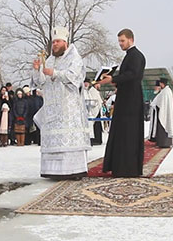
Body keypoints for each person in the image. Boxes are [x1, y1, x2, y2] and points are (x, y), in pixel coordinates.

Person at [31, 26, 91, 179]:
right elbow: (41, 83)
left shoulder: (74, 58)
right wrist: (36, 70)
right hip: (52, 109)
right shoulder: (49, 60)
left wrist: (55, 73)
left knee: (68, 140)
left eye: (58, 41)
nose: (55, 45)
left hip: (68, 110)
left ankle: (73, 170)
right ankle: (52, 171)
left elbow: (74, 78)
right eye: (53, 42)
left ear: (65, 42)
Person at [98, 29, 146, 177]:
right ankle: (121, 166)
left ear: (131, 39)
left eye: (122, 41)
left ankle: (128, 168)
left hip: (131, 101)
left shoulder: (136, 56)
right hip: (126, 98)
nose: (120, 44)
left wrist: (113, 79)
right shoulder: (129, 56)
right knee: (122, 133)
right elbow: (127, 78)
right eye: (119, 41)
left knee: (129, 133)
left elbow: (132, 75)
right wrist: (115, 82)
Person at [149, 78, 173, 148]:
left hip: (163, 112)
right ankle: (160, 142)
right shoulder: (165, 91)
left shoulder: (165, 92)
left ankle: (163, 143)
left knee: (164, 127)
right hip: (162, 111)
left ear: (162, 83)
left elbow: (161, 103)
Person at [84, 79, 104, 145]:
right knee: (95, 125)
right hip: (91, 109)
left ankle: (97, 139)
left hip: (95, 109)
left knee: (97, 125)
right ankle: (95, 139)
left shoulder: (92, 90)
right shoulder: (90, 90)